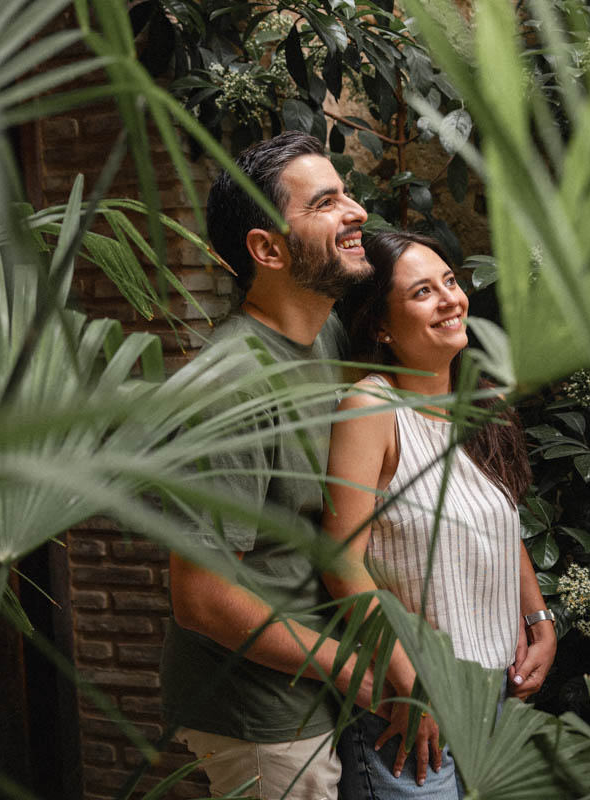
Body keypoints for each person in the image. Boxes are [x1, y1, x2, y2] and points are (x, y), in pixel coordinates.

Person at [160, 131, 374, 800]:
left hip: (321, 689)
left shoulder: (328, 335)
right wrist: (356, 670)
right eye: (328, 201)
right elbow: (201, 598)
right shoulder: (230, 386)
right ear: (268, 249)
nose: (358, 211)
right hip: (264, 717)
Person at [321, 231, 558, 798]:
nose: (451, 298)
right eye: (422, 292)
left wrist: (539, 620)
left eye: (450, 281)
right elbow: (339, 562)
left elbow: (498, 525)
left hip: (498, 693)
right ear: (381, 325)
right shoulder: (370, 407)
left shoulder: (483, 403)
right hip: (410, 701)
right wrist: (409, 680)